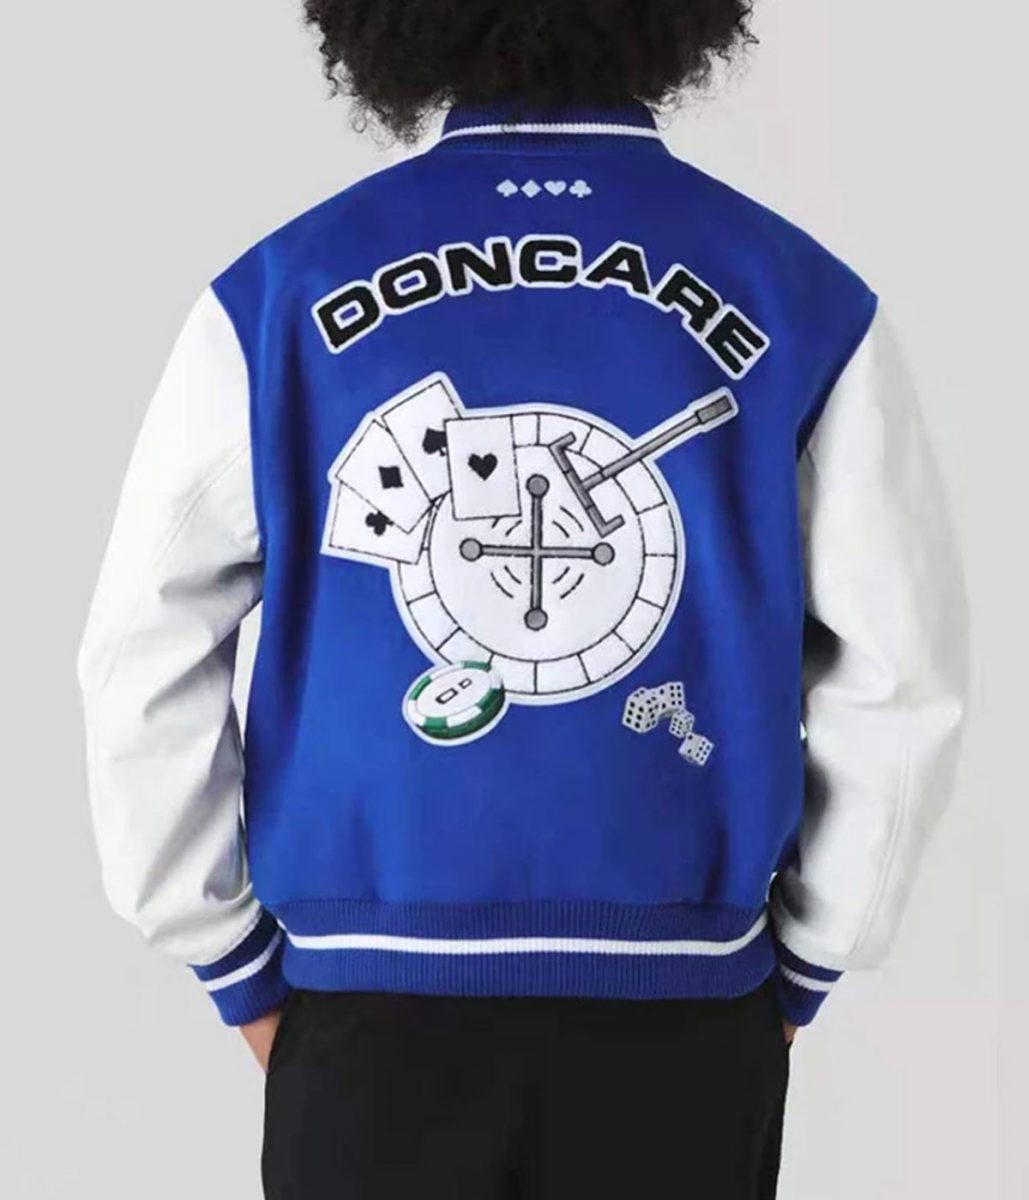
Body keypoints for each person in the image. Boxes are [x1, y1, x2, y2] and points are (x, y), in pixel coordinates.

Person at [77, 2, 968, 1197]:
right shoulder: (803, 297)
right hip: (687, 1013)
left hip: (365, 1011)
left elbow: (136, 656)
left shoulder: (279, 292)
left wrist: (228, 959)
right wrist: (811, 958)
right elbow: (903, 675)